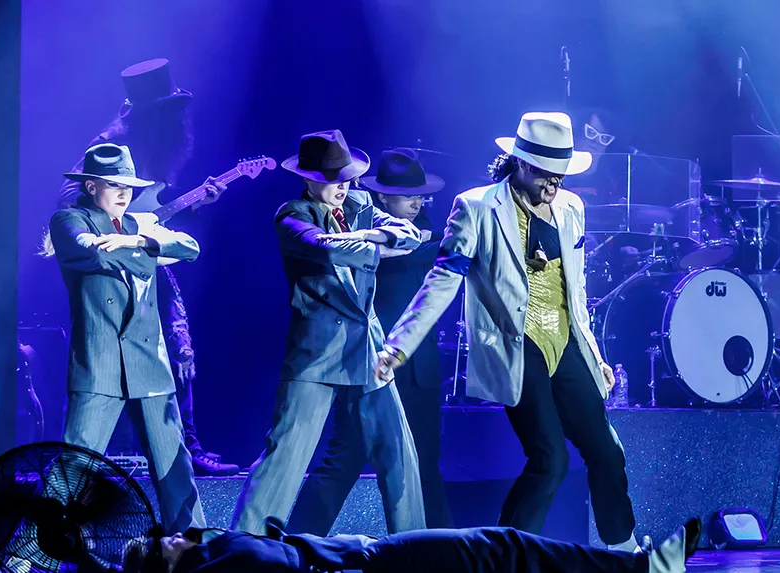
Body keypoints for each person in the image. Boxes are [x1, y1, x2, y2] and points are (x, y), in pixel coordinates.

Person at [377, 112, 646, 551]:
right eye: (544, 173)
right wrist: (399, 346)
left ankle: (623, 551)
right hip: (516, 344)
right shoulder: (478, 206)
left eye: (560, 173)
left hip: (565, 340)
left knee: (607, 450)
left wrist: (595, 355)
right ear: (519, 163)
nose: (553, 184)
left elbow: (575, 292)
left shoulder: (572, 208)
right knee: (550, 460)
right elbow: (443, 279)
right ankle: (502, 558)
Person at [230, 131, 427, 536]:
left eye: (347, 178)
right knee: (284, 457)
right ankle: (242, 547)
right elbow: (327, 248)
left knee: (399, 453)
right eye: (333, 179)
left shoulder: (359, 204)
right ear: (308, 178)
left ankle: (415, 548)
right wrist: (372, 243)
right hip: (317, 351)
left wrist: (371, 235)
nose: (343, 187)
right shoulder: (291, 214)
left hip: (368, 348)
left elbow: (410, 234)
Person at [50, 58, 238, 477]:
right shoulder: (111, 142)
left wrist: (184, 208)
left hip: (144, 256)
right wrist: (118, 226)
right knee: (107, 378)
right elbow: (70, 200)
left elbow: (166, 224)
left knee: (176, 344)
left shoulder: (155, 146)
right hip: (108, 266)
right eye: (171, 109)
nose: (180, 119)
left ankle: (186, 449)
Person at [285, 148, 452, 535]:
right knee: (345, 458)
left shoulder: (424, 229)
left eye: (421, 195)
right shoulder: (366, 236)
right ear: (381, 198)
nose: (417, 201)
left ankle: (442, 551)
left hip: (419, 368)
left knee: (425, 463)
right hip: (369, 361)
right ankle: (294, 544)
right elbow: (403, 254)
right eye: (407, 195)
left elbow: (433, 250)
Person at [48, 143, 205, 533]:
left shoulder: (139, 226)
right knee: (75, 465)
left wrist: (138, 241)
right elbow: (93, 254)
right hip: (99, 363)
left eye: (128, 186)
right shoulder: (69, 220)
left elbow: (190, 247)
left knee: (174, 467)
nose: (123, 193)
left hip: (149, 365)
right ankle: (27, 548)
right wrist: (144, 249)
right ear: (90, 188)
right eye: (113, 184)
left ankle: (196, 545)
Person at [122, 516, 700, 573]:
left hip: (371, 554)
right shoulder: (213, 569)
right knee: (502, 548)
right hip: (371, 567)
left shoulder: (210, 550)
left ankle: (637, 568)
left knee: (502, 549)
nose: (175, 536)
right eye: (164, 545)